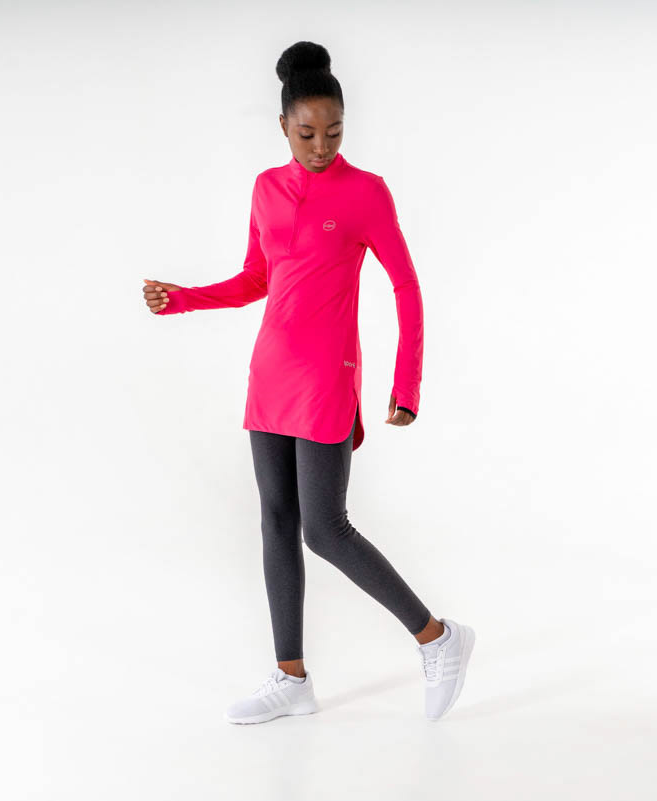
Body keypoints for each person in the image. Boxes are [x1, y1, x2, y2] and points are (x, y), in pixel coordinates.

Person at [143, 40, 475, 723]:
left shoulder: (366, 193)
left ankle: (438, 637)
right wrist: (182, 299)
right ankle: (290, 677)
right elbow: (256, 279)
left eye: (334, 132)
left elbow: (406, 287)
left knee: (326, 529)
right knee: (275, 520)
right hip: (270, 372)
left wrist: (406, 385)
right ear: (283, 126)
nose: (321, 146)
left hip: (327, 375)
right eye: (306, 134)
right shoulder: (266, 188)